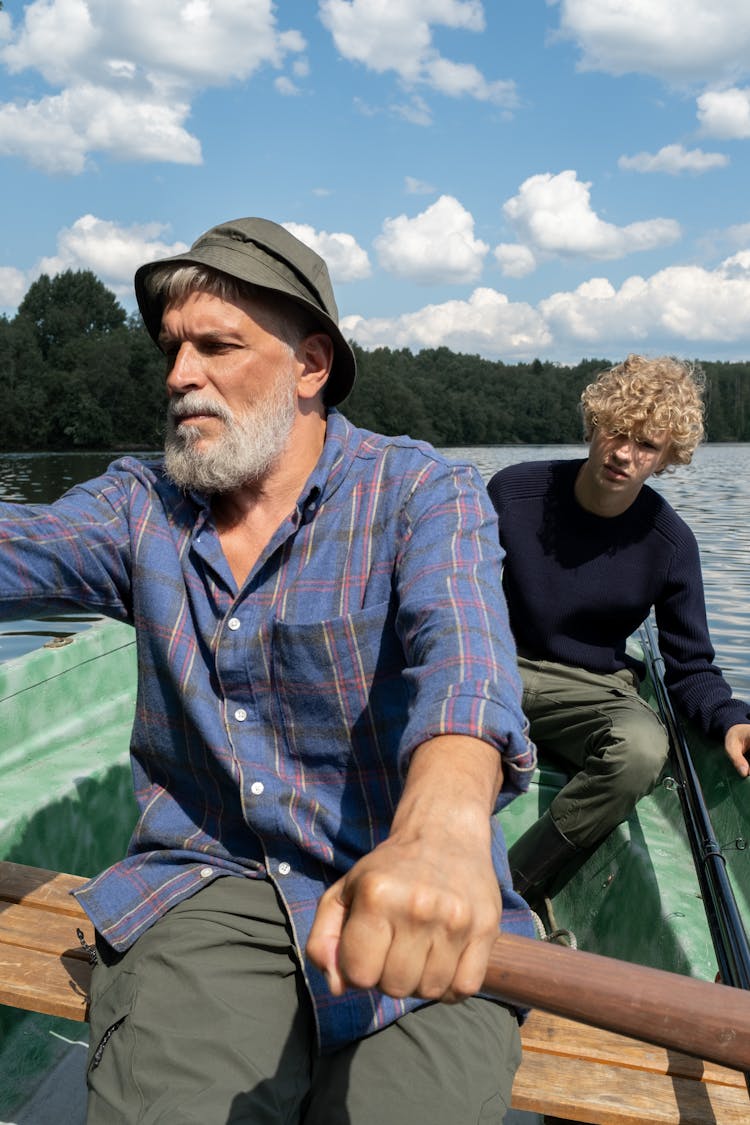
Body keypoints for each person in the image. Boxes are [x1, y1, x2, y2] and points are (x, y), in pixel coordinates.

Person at [0, 217, 536, 1125]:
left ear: (310, 365)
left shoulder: (421, 494)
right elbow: (21, 546)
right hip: (210, 888)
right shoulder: (142, 507)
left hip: (402, 888)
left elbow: (466, 661)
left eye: (216, 345)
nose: (178, 376)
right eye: (173, 349)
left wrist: (442, 830)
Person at [487, 354, 750, 907]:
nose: (626, 454)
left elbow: (691, 665)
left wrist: (730, 720)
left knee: (643, 750)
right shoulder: (513, 492)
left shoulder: (671, 544)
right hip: (494, 664)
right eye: (619, 432)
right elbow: (455, 592)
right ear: (595, 424)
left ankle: (508, 889)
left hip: (590, 690)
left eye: (647, 446)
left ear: (667, 458)